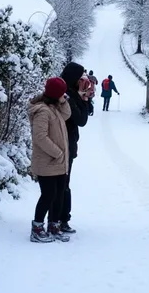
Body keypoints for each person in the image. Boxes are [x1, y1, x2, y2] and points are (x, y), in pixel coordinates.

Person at [28, 76, 72, 243]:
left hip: (58, 163)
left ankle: (54, 225)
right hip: (47, 162)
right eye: (62, 93)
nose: (64, 95)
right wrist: (58, 153)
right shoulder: (43, 111)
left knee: (59, 194)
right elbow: (40, 137)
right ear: (55, 94)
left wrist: (63, 100)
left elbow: (67, 114)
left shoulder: (54, 107)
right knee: (48, 195)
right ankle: (37, 228)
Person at [59, 61, 89, 233]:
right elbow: (81, 120)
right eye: (80, 78)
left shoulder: (68, 93)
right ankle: (61, 220)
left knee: (63, 183)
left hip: (67, 143)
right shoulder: (66, 96)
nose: (82, 81)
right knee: (63, 183)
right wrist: (82, 98)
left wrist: (83, 97)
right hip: (64, 145)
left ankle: (60, 219)